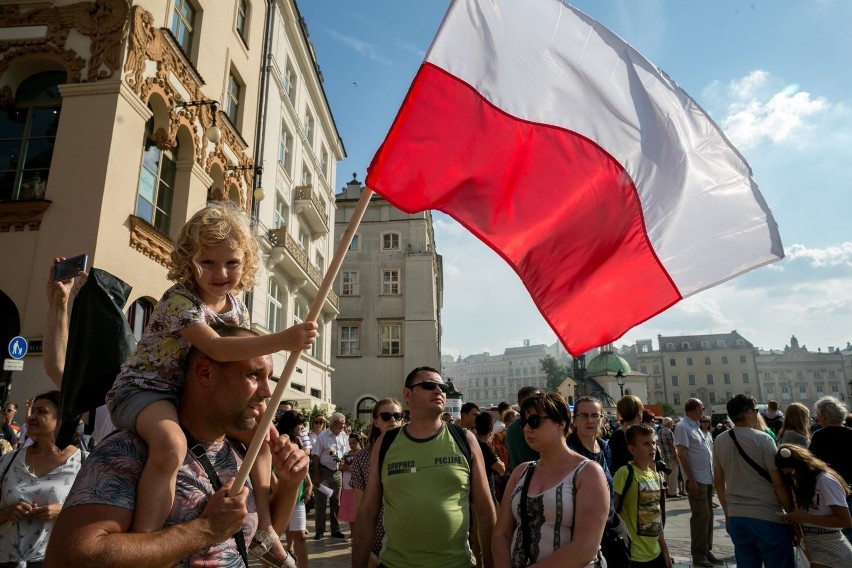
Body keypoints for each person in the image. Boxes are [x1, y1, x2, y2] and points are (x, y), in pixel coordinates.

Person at [103, 204, 316, 552]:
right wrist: (283, 340)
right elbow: (216, 349)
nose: (221, 272)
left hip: (192, 396)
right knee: (171, 445)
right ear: (190, 261)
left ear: (245, 263)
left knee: (262, 436)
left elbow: (236, 357)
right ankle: (144, 543)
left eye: (231, 262)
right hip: (144, 390)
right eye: (208, 262)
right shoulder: (179, 300)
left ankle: (265, 529)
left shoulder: (236, 307)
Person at [46, 325, 308, 567]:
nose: (267, 391)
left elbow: (259, 538)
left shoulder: (240, 451)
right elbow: (70, 555)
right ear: (205, 372)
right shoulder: (131, 450)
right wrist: (204, 529)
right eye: (254, 375)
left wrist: (288, 484)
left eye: (269, 378)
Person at [353, 366, 497, 568]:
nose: (439, 391)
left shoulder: (465, 439)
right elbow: (368, 512)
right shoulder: (386, 442)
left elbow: (484, 509)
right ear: (407, 394)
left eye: (443, 387)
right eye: (429, 385)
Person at [492, 392, 608, 567]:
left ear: (560, 423)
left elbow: (586, 548)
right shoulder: (521, 472)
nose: (527, 429)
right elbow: (501, 534)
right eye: (524, 422)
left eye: (535, 422)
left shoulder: (588, 472)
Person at [0, 391, 84, 566]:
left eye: (41, 411)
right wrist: (6, 513)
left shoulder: (85, 463)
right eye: (32, 411)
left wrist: (63, 512)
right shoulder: (8, 461)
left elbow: (98, 515)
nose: (31, 417)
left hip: (55, 560)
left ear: (61, 418)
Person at [712, 394, 794, 568]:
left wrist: (728, 513)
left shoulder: (720, 440)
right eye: (756, 411)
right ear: (749, 412)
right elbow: (778, 483)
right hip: (767, 515)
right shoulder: (764, 439)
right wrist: (791, 513)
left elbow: (719, 482)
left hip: (737, 516)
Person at [775, 443, 852, 567]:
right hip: (811, 544)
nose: (790, 477)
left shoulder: (825, 481)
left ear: (801, 466)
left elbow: (845, 521)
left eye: (792, 473)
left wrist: (804, 518)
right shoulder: (797, 483)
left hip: (832, 546)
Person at [350, 398, 403, 568]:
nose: (392, 420)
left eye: (397, 415)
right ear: (376, 422)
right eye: (386, 416)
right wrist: (369, 550)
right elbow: (361, 507)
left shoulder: (415, 452)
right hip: (379, 536)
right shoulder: (362, 457)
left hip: (409, 534)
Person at [613, 423, 673, 568]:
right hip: (634, 555)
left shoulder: (655, 476)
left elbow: (655, 518)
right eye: (646, 444)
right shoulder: (625, 473)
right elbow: (611, 511)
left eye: (653, 442)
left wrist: (665, 550)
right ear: (632, 449)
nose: (652, 447)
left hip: (655, 552)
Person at [675, 398, 720, 567]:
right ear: (694, 408)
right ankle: (698, 554)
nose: (704, 410)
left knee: (708, 516)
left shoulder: (696, 427)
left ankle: (706, 550)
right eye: (702, 407)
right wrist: (690, 479)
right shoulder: (683, 427)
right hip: (697, 479)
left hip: (705, 478)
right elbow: (681, 454)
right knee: (701, 517)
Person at [808, 396, 852, 542]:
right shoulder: (850, 433)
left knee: (838, 535)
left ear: (825, 416)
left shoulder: (819, 436)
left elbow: (811, 464)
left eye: (818, 414)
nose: (817, 418)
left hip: (829, 492)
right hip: (850, 489)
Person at [275, 410, 313, 568]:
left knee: (300, 535)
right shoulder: (277, 440)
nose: (302, 427)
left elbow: (302, 464)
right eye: (300, 423)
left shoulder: (297, 440)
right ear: (291, 424)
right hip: (278, 493)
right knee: (272, 539)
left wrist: (309, 483)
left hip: (297, 493)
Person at [311, 412, 350, 540]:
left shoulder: (344, 435)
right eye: (342, 423)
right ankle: (320, 530)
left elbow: (346, 453)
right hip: (323, 471)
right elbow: (315, 456)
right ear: (334, 424)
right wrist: (316, 475)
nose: (344, 425)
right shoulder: (323, 436)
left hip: (337, 472)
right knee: (321, 502)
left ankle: (335, 529)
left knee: (336, 502)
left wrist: (344, 463)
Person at [506, 386, 541, 471]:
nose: (542, 401)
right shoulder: (536, 426)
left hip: (518, 479)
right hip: (538, 478)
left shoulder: (511, 429)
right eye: (539, 398)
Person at [475, 411, 506, 502]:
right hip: (487, 491)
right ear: (491, 428)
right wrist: (500, 461)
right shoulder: (486, 448)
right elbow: (501, 469)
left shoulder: (472, 444)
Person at [610, 395, 644, 474]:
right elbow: (653, 464)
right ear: (639, 412)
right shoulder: (644, 434)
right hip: (643, 480)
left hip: (622, 481)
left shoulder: (616, 435)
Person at [658, 417, 681, 498]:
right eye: (672, 422)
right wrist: (677, 457)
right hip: (671, 456)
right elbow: (672, 446)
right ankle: (672, 492)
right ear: (668, 424)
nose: (673, 424)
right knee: (673, 475)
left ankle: (666, 491)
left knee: (666, 475)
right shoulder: (669, 432)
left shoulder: (660, 431)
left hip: (664, 456)